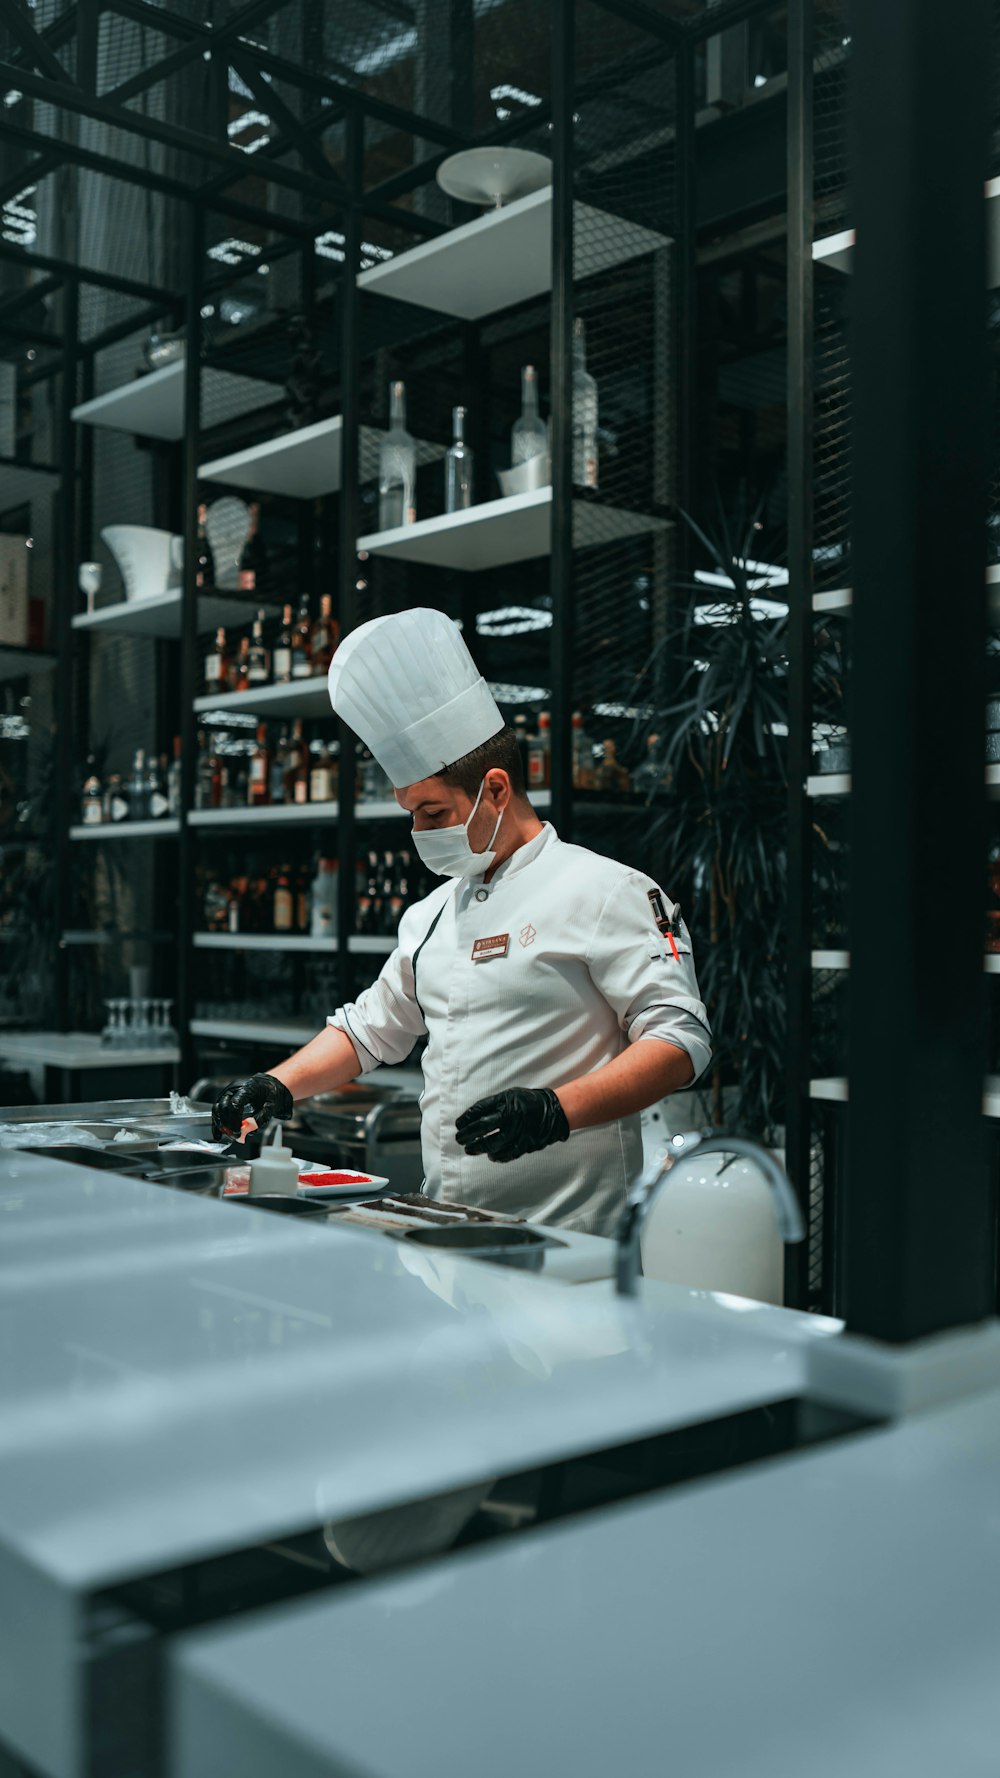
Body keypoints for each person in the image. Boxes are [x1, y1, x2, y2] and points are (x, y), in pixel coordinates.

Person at [212, 607, 711, 1236]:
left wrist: (555, 1110)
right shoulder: (431, 915)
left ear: (496, 790)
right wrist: (277, 1085)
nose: (418, 831)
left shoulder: (607, 890)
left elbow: (680, 1042)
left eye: (431, 811)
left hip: (568, 1241)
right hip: (448, 1230)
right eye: (410, 813)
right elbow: (372, 1030)